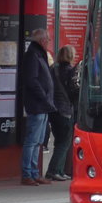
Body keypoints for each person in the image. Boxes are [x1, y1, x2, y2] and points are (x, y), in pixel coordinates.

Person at [18, 27, 56, 186]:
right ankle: (28, 173)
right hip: (37, 104)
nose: (49, 42)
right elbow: (32, 81)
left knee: (38, 140)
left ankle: (34, 172)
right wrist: (44, 97)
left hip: (43, 104)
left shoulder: (38, 54)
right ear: (42, 41)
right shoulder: (33, 55)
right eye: (47, 39)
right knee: (32, 140)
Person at [46, 45, 79, 181]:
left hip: (53, 109)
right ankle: (54, 171)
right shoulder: (70, 71)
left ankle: (59, 170)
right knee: (64, 143)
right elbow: (73, 90)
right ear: (71, 56)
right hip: (65, 110)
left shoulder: (53, 69)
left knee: (58, 141)